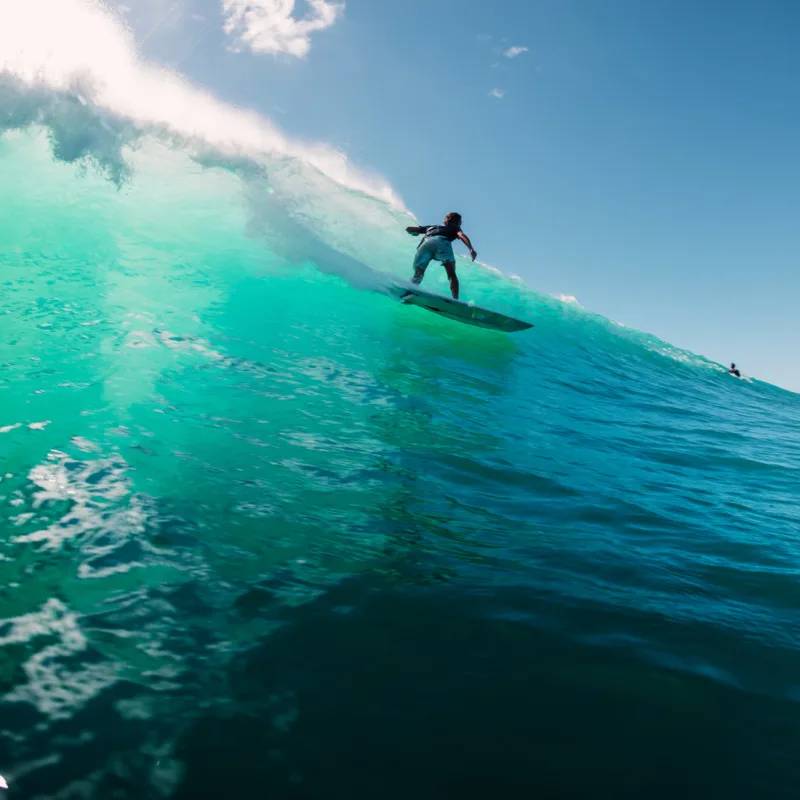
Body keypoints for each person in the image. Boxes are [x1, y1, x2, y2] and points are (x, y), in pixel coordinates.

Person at [405, 212, 477, 300]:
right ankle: (455, 299)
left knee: (418, 274)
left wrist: (413, 233)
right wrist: (470, 248)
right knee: (451, 274)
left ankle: (409, 291)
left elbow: (409, 228)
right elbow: (461, 235)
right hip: (442, 243)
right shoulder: (455, 228)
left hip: (425, 245)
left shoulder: (430, 227)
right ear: (457, 222)